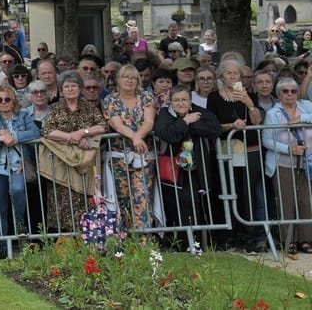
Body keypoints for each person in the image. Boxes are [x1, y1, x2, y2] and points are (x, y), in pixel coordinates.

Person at [206, 58, 266, 251]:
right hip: (225, 151)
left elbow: (257, 122)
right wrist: (231, 126)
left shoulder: (250, 95)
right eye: (229, 73)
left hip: (246, 151)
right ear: (222, 76)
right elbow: (212, 125)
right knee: (225, 191)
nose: (233, 77)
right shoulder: (214, 97)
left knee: (245, 193)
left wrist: (248, 103)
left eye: (236, 74)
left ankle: (246, 236)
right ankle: (227, 236)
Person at [40, 71, 106, 234]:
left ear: (80, 88)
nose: (70, 89)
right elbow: (47, 130)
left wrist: (84, 132)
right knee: (61, 198)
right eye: (66, 86)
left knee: (84, 197)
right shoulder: (55, 108)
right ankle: (66, 238)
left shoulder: (89, 108)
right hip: (62, 160)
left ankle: (87, 234)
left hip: (85, 161)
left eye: (74, 86)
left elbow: (102, 126)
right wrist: (72, 137)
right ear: (61, 90)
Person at [154, 87, 220, 243]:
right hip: (173, 170)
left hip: (196, 168)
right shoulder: (165, 114)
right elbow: (166, 133)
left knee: (196, 202)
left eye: (184, 99)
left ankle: (197, 241)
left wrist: (188, 124)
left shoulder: (200, 111)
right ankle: (180, 242)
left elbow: (215, 129)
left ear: (190, 101)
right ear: (171, 101)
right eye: (176, 100)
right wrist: (185, 121)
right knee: (175, 204)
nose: (180, 103)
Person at [0, 85, 41, 252]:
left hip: (18, 166)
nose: (4, 102)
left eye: (7, 99)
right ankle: (3, 246)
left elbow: (35, 133)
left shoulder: (23, 116)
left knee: (18, 191)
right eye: (0, 100)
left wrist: (14, 137)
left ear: (13, 100)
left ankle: (20, 224)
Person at [103, 64, 156, 232]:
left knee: (142, 198)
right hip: (119, 158)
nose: (130, 80)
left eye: (133, 77)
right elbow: (116, 124)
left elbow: (149, 122)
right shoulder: (110, 100)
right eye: (126, 76)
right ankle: (123, 241)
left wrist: (139, 137)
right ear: (118, 79)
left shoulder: (146, 97)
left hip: (142, 157)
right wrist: (135, 137)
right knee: (122, 200)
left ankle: (144, 241)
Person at [263, 77, 312, 254]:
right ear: (279, 94)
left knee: (306, 202)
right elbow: (266, 140)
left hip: (308, 163)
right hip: (283, 164)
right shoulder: (272, 113)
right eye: (285, 91)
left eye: (293, 91)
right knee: (286, 202)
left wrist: (301, 118)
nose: (290, 94)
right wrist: (288, 149)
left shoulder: (306, 106)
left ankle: (306, 239)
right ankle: (289, 240)